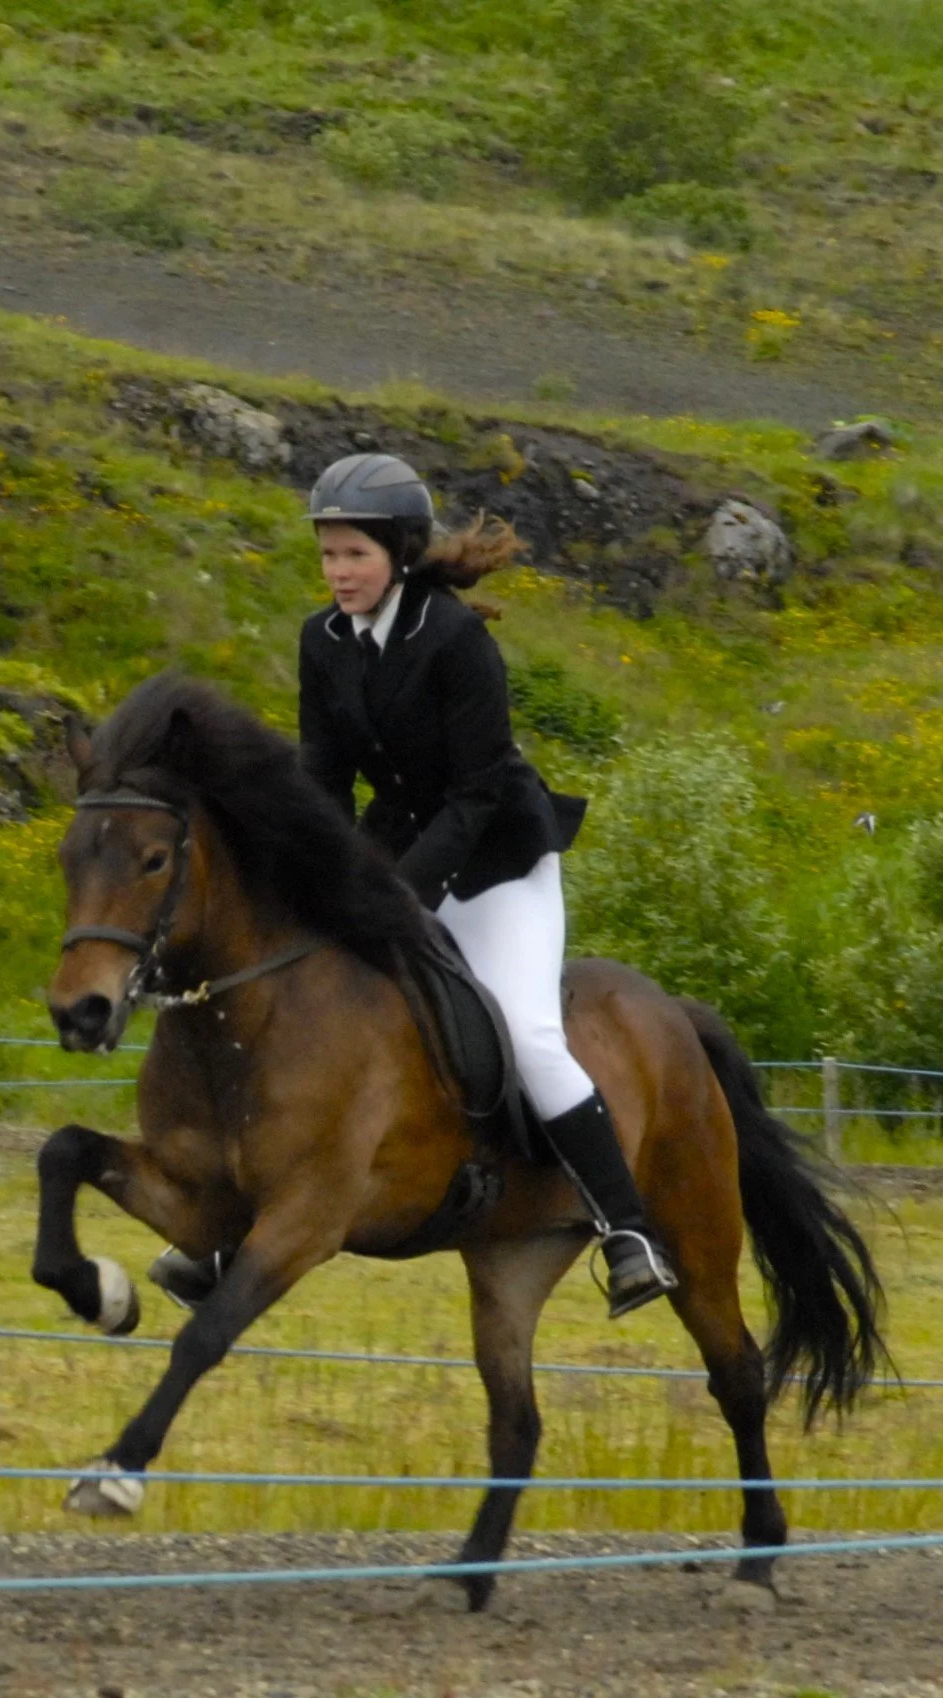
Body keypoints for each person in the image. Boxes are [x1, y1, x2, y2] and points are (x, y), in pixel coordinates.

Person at [297, 452, 676, 1319]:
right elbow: (322, 774)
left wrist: (398, 895)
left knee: (528, 1029)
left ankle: (627, 1230)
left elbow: (473, 795)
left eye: (353, 554)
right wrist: (317, 874)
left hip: (498, 858)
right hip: (396, 847)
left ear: (395, 551)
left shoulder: (456, 639)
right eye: (326, 555)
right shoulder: (321, 642)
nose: (337, 573)